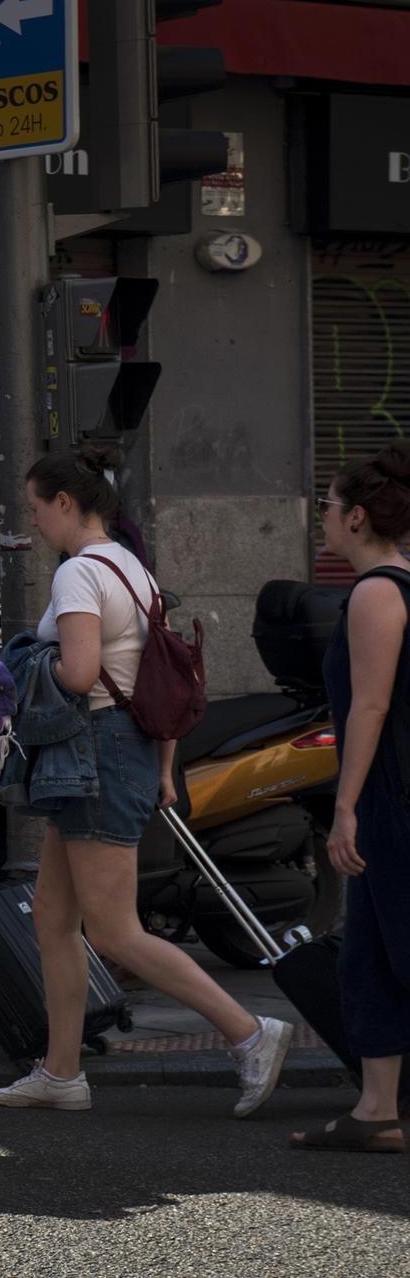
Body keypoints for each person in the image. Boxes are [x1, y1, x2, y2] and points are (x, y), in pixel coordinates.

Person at [0, 447, 291, 1117]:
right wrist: (161, 771)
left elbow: (77, 673)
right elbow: (161, 677)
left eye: (37, 508)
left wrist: (20, 656)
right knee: (52, 917)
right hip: (121, 753)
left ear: (65, 503)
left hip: (92, 753)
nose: (33, 522)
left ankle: (250, 1032)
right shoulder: (135, 572)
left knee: (116, 931)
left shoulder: (77, 576)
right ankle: (61, 1071)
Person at [293, 444, 410, 1151]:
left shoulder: (375, 593)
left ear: (359, 517)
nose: (324, 523)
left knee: (394, 945)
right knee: (368, 950)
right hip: (397, 795)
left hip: (391, 802)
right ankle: (376, 1109)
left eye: (329, 508)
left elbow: (367, 710)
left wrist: (346, 808)